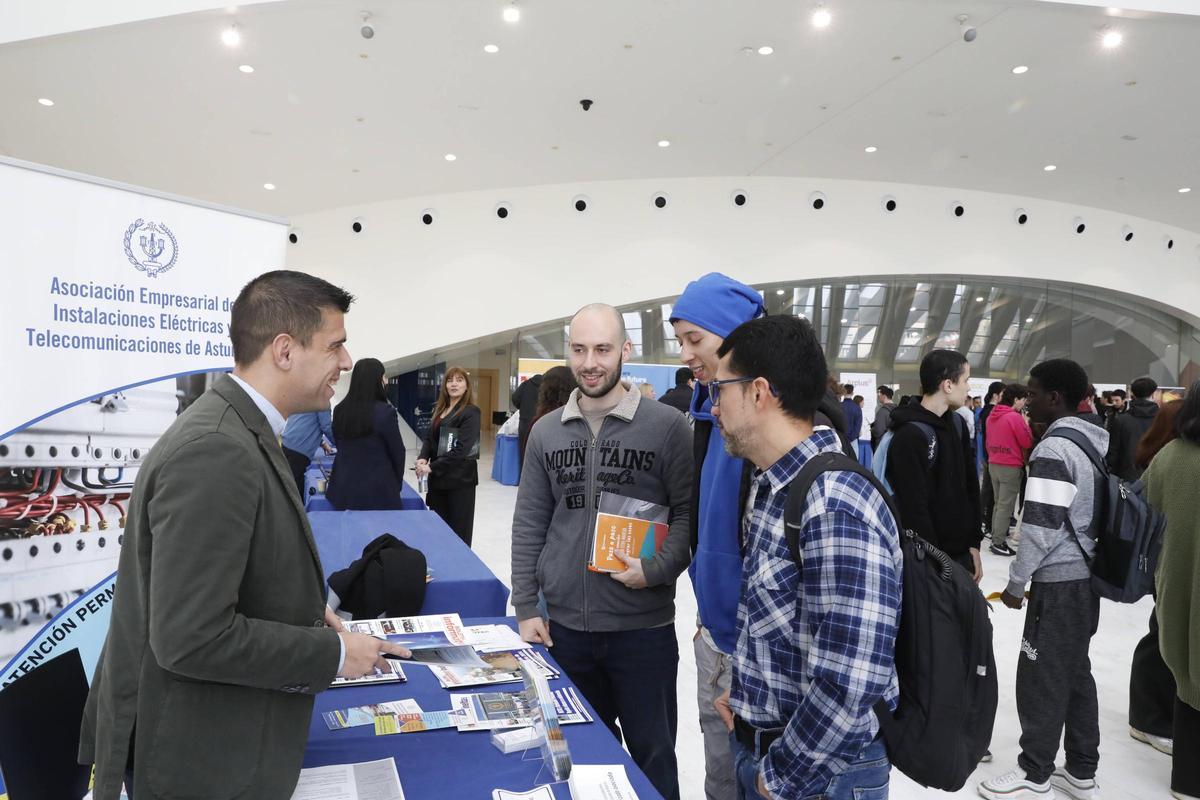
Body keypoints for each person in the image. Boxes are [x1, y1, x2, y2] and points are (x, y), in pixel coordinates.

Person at [78, 270, 407, 800]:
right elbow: (191, 637)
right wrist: (331, 655)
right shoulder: (217, 450)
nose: (346, 363)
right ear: (284, 350)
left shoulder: (241, 430)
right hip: (199, 763)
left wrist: (302, 609)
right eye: (335, 346)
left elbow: (241, 565)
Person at [709, 315, 902, 800]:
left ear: (758, 392)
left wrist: (778, 776)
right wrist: (750, 700)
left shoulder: (835, 503)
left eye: (720, 391)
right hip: (772, 752)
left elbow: (852, 680)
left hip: (819, 778)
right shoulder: (772, 485)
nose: (714, 408)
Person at [511, 303, 693, 800]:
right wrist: (527, 605)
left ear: (625, 351)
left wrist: (655, 570)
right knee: (582, 759)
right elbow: (530, 521)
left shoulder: (667, 426)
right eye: (579, 349)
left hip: (643, 633)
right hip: (566, 630)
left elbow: (685, 519)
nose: (590, 362)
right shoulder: (547, 432)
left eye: (603, 349)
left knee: (654, 757)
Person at [980, 358, 1105, 800]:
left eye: (1033, 394)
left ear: (1055, 398)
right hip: (1085, 578)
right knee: (1074, 670)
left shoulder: (1054, 449)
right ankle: (1081, 770)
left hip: (1058, 583)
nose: (1026, 401)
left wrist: (1016, 585)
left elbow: (1038, 529)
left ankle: (1034, 771)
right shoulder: (1091, 440)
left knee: (1041, 673)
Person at [669, 272, 764, 800]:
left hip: (757, 650)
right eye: (681, 340)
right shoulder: (707, 407)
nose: (685, 353)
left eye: (694, 339)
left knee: (753, 776)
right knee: (720, 773)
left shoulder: (775, 423)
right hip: (714, 634)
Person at [1141, 384, 1200, 800]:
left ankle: (1187, 781)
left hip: (1176, 583)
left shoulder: (1171, 455)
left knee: (1186, 675)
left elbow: (1149, 507)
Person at [886, 349, 983, 582]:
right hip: (929, 562)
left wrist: (974, 543)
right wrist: (936, 562)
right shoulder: (909, 435)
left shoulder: (957, 423)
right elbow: (913, 509)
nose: (969, 388)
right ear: (948, 385)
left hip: (961, 555)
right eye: (966, 380)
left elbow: (971, 487)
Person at [1128, 399, 1184, 759]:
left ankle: (1153, 716)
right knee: (1162, 637)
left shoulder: (1165, 454)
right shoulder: (1168, 459)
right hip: (1164, 563)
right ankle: (1149, 719)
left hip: (1168, 561)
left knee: (1163, 633)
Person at [326, 358, 407, 511]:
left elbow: (338, 443)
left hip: (343, 488)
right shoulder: (385, 412)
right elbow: (397, 452)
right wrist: (395, 484)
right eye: (383, 376)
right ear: (376, 380)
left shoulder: (340, 410)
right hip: (378, 490)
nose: (386, 380)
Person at [416, 367, 481, 546]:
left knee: (459, 533)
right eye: (450, 380)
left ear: (467, 386)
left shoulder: (471, 412)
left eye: (459, 380)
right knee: (438, 529)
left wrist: (431, 467)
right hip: (439, 480)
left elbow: (462, 449)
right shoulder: (441, 409)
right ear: (444, 386)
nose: (454, 384)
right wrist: (423, 457)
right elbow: (429, 438)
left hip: (459, 482)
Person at [986, 383, 1032, 557]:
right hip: (1010, 465)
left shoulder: (993, 415)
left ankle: (995, 537)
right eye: (1023, 400)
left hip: (994, 463)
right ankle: (998, 542)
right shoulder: (1014, 417)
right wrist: (1026, 424)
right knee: (1005, 506)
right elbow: (1026, 442)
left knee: (999, 504)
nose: (1023, 403)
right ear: (1015, 399)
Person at [1107, 376, 1160, 481]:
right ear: (1153, 394)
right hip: (1156, 477)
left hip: (1127, 479)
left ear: (1133, 395)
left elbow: (1113, 453)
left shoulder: (1121, 420)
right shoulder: (1163, 420)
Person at [280, 409, 334, 498]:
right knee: (295, 490)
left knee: (287, 484)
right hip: (299, 450)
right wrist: (341, 444)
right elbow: (327, 427)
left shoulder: (307, 396)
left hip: (288, 443)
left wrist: (322, 442)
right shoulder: (322, 400)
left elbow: (306, 422)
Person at [979, 381, 1006, 538]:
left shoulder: (986, 411)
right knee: (989, 492)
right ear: (996, 395)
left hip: (989, 454)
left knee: (988, 490)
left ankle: (983, 520)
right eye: (1003, 393)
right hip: (991, 455)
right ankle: (986, 523)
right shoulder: (991, 412)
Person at [511, 372, 544, 466]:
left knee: (524, 450)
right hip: (542, 422)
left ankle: (524, 477)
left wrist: (521, 407)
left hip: (525, 422)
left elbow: (515, 398)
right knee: (541, 451)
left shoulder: (525, 384)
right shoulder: (547, 386)